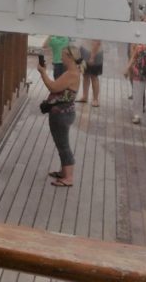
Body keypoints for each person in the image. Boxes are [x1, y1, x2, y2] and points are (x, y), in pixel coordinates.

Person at [36, 44, 82, 187]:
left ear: (69, 57)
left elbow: (53, 87)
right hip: (64, 113)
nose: (60, 57)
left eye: (62, 55)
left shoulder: (71, 74)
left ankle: (68, 178)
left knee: (63, 145)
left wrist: (43, 73)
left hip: (62, 115)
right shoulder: (73, 71)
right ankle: (64, 172)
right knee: (62, 144)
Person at [77, 39, 103, 106]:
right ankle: (85, 96)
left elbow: (97, 42)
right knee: (85, 75)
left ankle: (95, 99)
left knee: (94, 77)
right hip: (85, 52)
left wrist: (92, 57)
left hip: (94, 54)